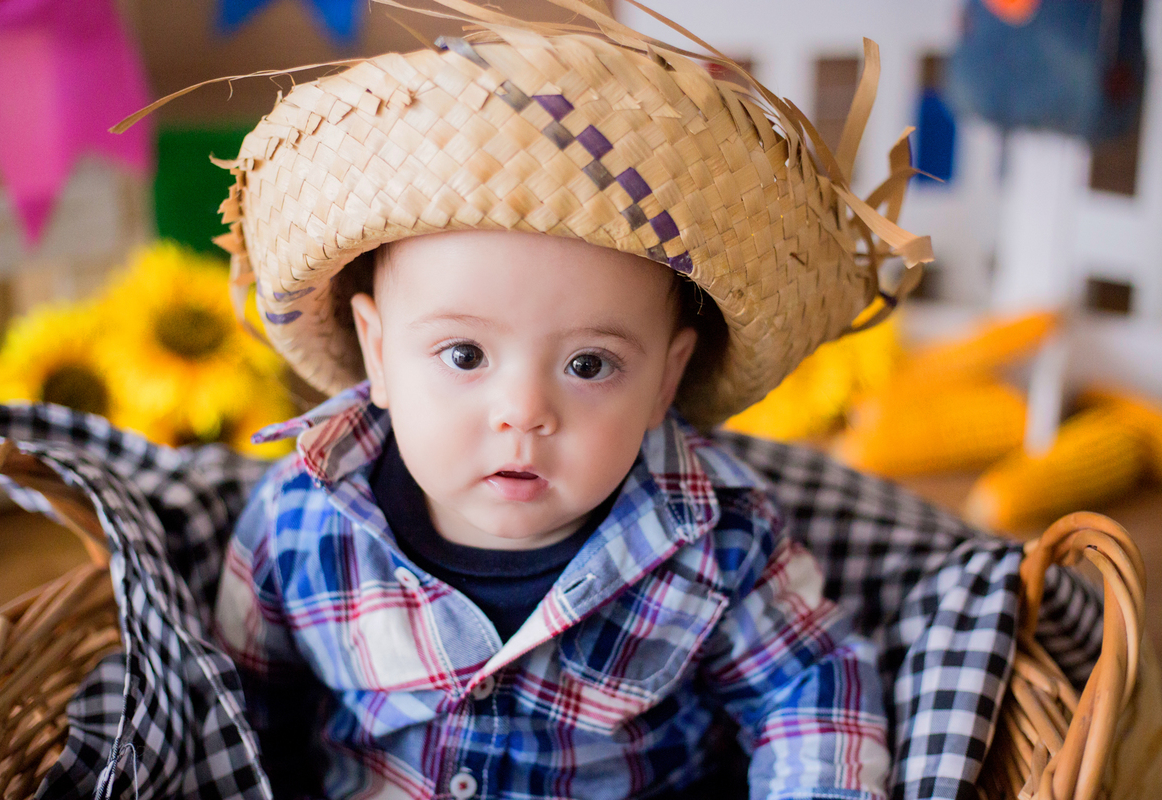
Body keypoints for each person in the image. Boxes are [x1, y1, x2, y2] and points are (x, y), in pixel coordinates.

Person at [211, 2, 931, 797]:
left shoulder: (718, 540)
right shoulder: (300, 523)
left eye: (589, 364)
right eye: (464, 355)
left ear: (665, 380)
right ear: (378, 353)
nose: (524, 411)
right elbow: (237, 715)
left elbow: (809, 695)